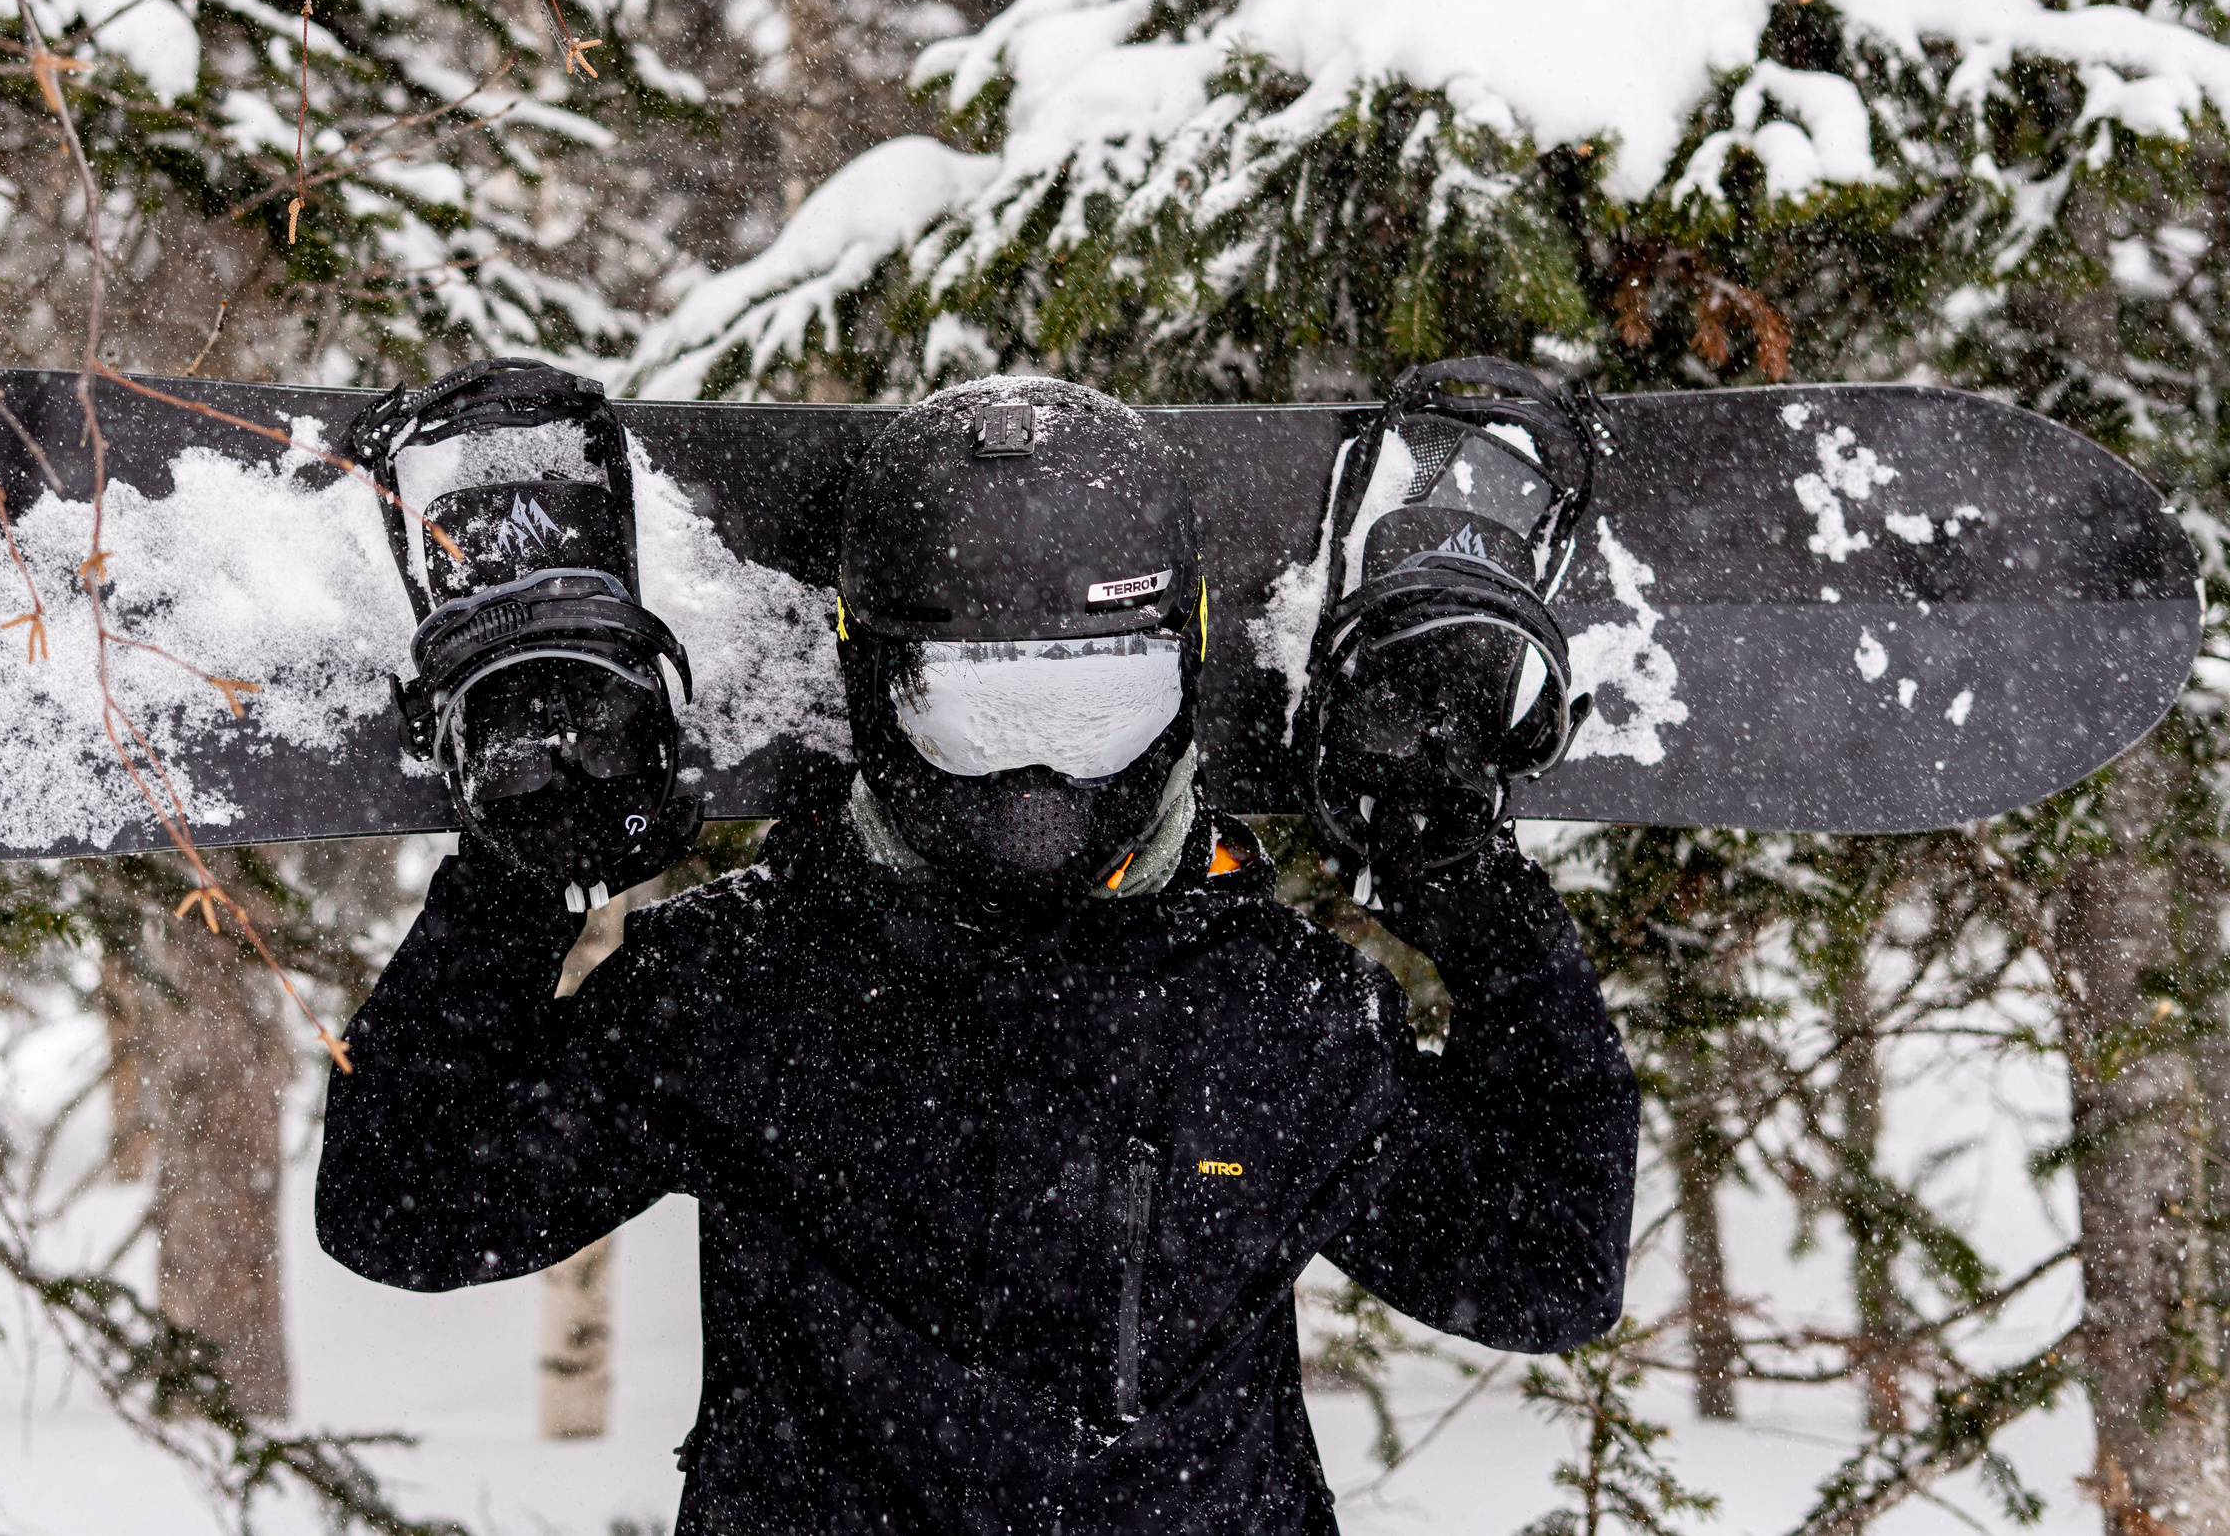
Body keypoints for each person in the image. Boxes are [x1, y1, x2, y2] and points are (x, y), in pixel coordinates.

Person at [316, 372, 1639, 1534]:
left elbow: (1547, 1269)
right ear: (876, 693)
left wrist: (1470, 899)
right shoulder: (748, 990)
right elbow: (409, 1206)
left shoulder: (1268, 1010)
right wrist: (525, 879)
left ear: (1175, 688)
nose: (1036, 776)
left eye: (1092, 707)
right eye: (976, 709)